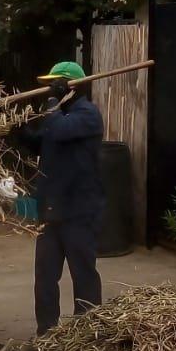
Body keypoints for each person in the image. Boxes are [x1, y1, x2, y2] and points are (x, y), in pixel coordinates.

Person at [26, 61, 105, 335]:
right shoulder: (58, 115)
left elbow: (59, 130)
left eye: (55, 85)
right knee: (45, 279)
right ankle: (46, 334)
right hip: (51, 211)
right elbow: (39, 141)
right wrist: (11, 127)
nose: (50, 90)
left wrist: (52, 106)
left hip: (79, 212)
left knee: (83, 276)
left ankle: (87, 336)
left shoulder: (87, 115)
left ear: (70, 86)